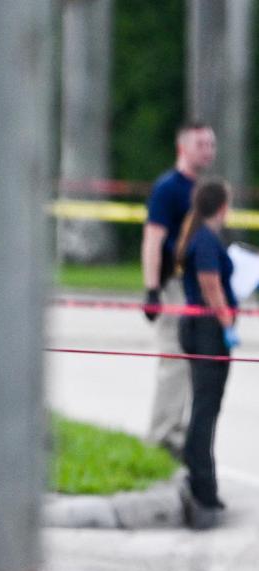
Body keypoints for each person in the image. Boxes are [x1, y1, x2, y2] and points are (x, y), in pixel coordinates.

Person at [141, 122, 217, 456]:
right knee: (173, 359)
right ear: (182, 147)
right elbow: (153, 239)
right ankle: (161, 436)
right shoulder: (168, 188)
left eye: (211, 144)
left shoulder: (201, 189)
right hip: (173, 285)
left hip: (194, 286)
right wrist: (152, 289)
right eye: (201, 143)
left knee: (189, 362)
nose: (208, 150)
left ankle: (176, 429)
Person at [173, 178, 236, 529]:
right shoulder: (207, 240)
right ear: (222, 206)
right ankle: (201, 485)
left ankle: (203, 479)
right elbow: (210, 284)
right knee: (206, 407)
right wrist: (227, 322)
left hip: (201, 329)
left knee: (206, 404)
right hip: (208, 331)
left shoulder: (201, 236)